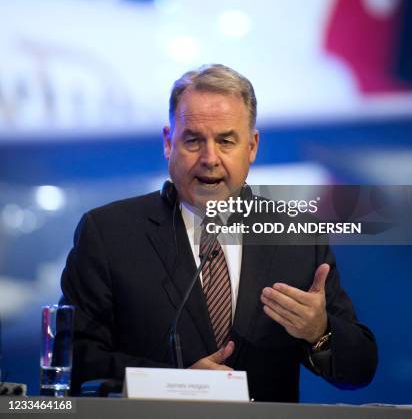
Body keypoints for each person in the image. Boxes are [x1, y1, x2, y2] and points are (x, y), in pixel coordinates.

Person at [61, 64, 378, 401]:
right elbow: (73, 358)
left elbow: (359, 369)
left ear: (252, 146)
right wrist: (174, 383)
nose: (209, 158)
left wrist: (320, 332)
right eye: (194, 140)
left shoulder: (298, 239)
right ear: (169, 143)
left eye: (226, 141)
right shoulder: (109, 233)